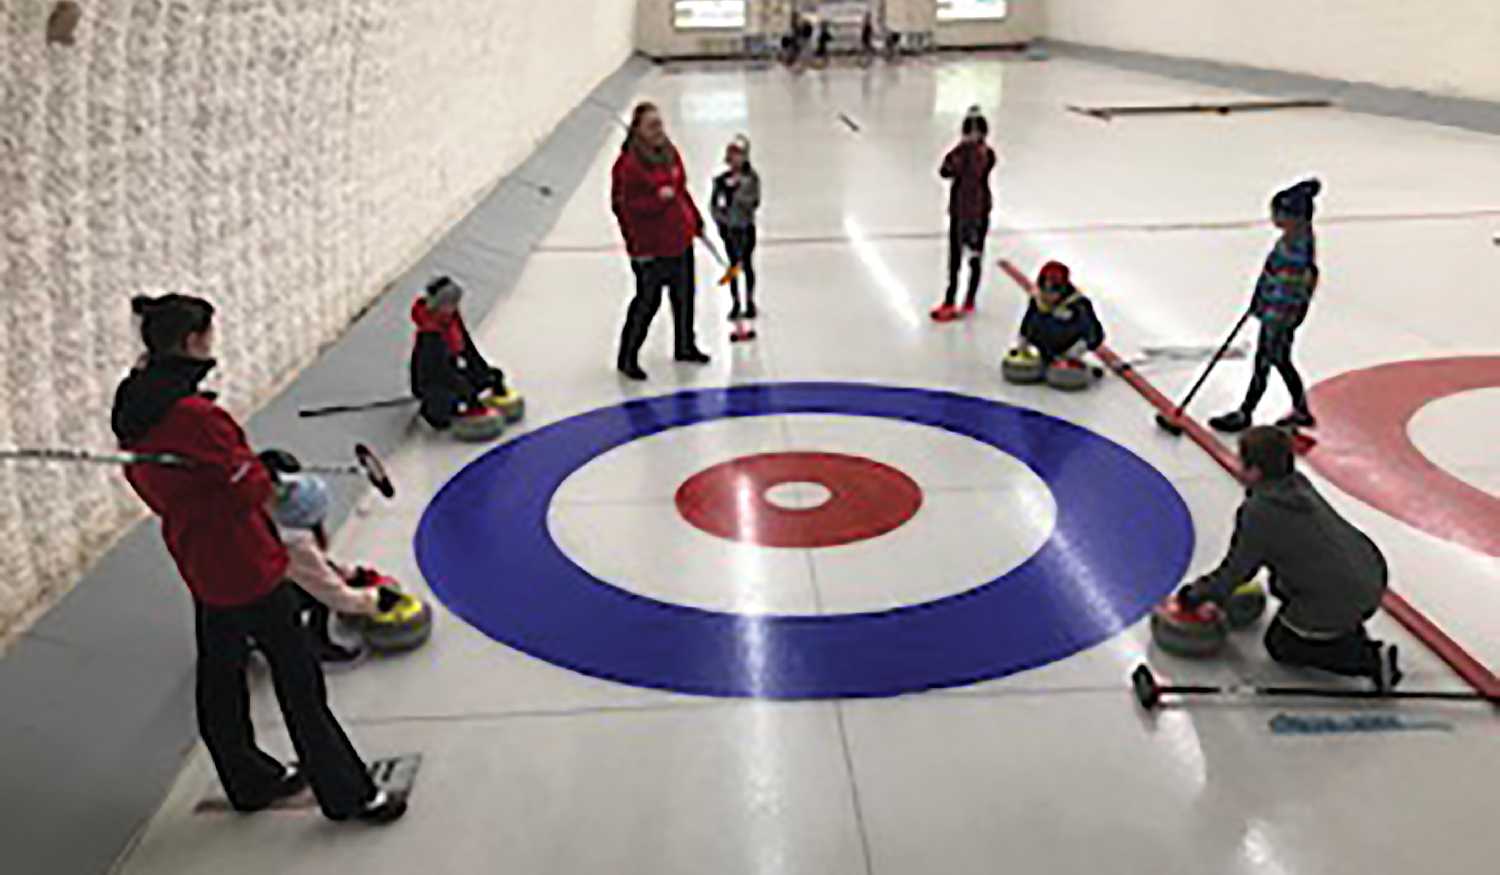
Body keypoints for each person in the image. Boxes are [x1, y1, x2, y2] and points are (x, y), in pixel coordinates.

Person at [111, 294, 405, 822]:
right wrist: (267, 480)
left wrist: (235, 478)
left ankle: (248, 781)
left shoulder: (134, 403)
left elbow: (164, 479)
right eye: (207, 336)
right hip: (247, 565)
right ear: (190, 341)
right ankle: (350, 793)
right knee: (300, 684)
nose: (211, 345)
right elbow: (250, 493)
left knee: (220, 680)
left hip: (200, 561)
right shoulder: (198, 417)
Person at [1177, 426, 1400, 692]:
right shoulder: (1297, 484)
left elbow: (1237, 570)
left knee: (1281, 644)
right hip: (1370, 572)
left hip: (1340, 595)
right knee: (1282, 585)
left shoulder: (1259, 513)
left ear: (1255, 471)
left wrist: (1197, 594)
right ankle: (1341, 626)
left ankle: (1369, 659)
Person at [1210, 179, 1322, 433]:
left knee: (1266, 361)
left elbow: (1289, 287)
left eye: (1278, 213)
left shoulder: (1297, 248)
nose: (1273, 218)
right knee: (1280, 360)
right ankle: (1300, 409)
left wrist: (1270, 312)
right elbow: (1271, 275)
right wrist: (1258, 299)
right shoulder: (1290, 240)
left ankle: (1246, 411)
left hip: (1280, 316)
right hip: (1276, 312)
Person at [610, 102, 711, 381]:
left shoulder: (669, 153)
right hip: (650, 248)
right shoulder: (628, 166)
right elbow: (623, 207)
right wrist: (655, 200)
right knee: (647, 301)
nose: (658, 130)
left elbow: (680, 190)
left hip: (679, 239)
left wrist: (694, 219)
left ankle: (685, 345)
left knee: (684, 296)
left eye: (660, 124)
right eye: (651, 125)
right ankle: (628, 356)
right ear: (637, 129)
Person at [264, 467, 404, 664]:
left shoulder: (278, 523)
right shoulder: (295, 543)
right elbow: (329, 590)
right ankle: (318, 647)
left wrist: (352, 574)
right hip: (263, 594)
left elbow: (319, 563)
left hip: (251, 581)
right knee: (317, 597)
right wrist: (375, 600)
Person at [409, 275, 508, 430]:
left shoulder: (452, 317)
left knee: (489, 377)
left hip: (453, 368)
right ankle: (431, 409)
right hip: (433, 380)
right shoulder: (429, 334)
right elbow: (440, 371)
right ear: (438, 306)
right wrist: (466, 391)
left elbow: (467, 348)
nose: (454, 307)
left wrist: (484, 372)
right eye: (449, 304)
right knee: (445, 410)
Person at [932, 106, 997, 321]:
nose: (972, 136)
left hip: (977, 212)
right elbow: (945, 171)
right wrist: (959, 152)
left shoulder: (983, 154)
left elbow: (967, 170)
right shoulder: (963, 152)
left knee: (974, 258)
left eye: (977, 132)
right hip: (960, 211)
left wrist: (963, 152)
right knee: (955, 259)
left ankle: (969, 298)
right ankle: (950, 299)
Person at [710, 134, 762, 321]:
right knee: (732, 267)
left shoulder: (751, 179)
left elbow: (754, 201)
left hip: (746, 228)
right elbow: (714, 205)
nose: (735, 159)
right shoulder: (721, 180)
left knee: (747, 265)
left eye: (738, 155)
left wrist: (736, 194)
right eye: (732, 155)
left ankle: (749, 301)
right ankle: (735, 303)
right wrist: (720, 221)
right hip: (729, 229)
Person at [1015, 261, 1105, 363]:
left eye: (1052, 291)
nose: (1047, 296)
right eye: (1044, 289)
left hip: (1068, 347)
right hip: (1043, 349)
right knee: (1037, 316)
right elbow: (1027, 323)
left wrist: (1081, 345)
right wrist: (1023, 341)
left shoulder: (1079, 305)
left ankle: (1067, 356)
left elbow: (1095, 333)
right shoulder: (1036, 302)